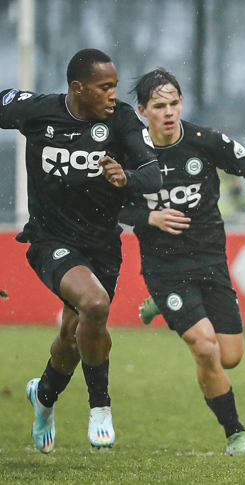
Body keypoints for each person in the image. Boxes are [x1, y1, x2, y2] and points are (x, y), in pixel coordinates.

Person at [0, 48, 162, 453]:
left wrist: (125, 177)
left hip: (103, 246)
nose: (113, 94)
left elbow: (154, 173)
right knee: (93, 304)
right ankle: (101, 406)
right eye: (104, 87)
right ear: (78, 88)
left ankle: (43, 398)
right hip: (50, 240)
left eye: (114, 86)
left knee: (74, 337)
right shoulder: (37, 111)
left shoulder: (122, 119)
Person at [120, 68, 245, 455]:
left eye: (174, 103)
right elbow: (107, 203)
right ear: (143, 110)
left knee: (230, 357)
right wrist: (149, 217)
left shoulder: (202, 141)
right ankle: (235, 433)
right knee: (206, 349)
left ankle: (159, 307)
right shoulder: (128, 152)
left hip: (211, 260)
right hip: (164, 266)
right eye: (158, 105)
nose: (168, 112)